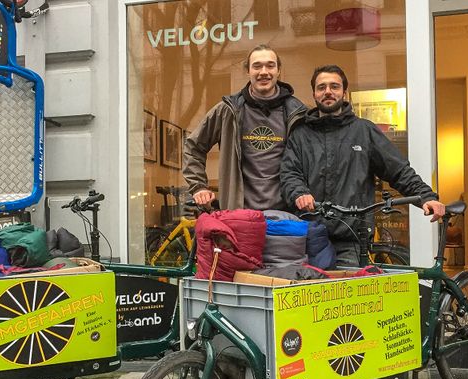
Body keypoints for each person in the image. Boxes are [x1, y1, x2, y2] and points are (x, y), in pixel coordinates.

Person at [280, 65, 446, 266]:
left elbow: (398, 170)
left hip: (351, 238)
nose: (328, 92)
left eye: (334, 86)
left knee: (348, 295)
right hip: (310, 236)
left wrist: (426, 197)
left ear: (345, 93)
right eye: (321, 87)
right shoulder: (300, 135)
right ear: (314, 94)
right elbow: (290, 173)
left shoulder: (364, 131)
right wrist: (299, 193)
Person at [183, 44, 307, 211]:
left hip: (286, 216)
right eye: (257, 66)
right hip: (240, 215)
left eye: (270, 65)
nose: (264, 71)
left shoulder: (297, 113)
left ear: (278, 71)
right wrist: (199, 186)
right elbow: (193, 147)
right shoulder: (228, 110)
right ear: (248, 71)